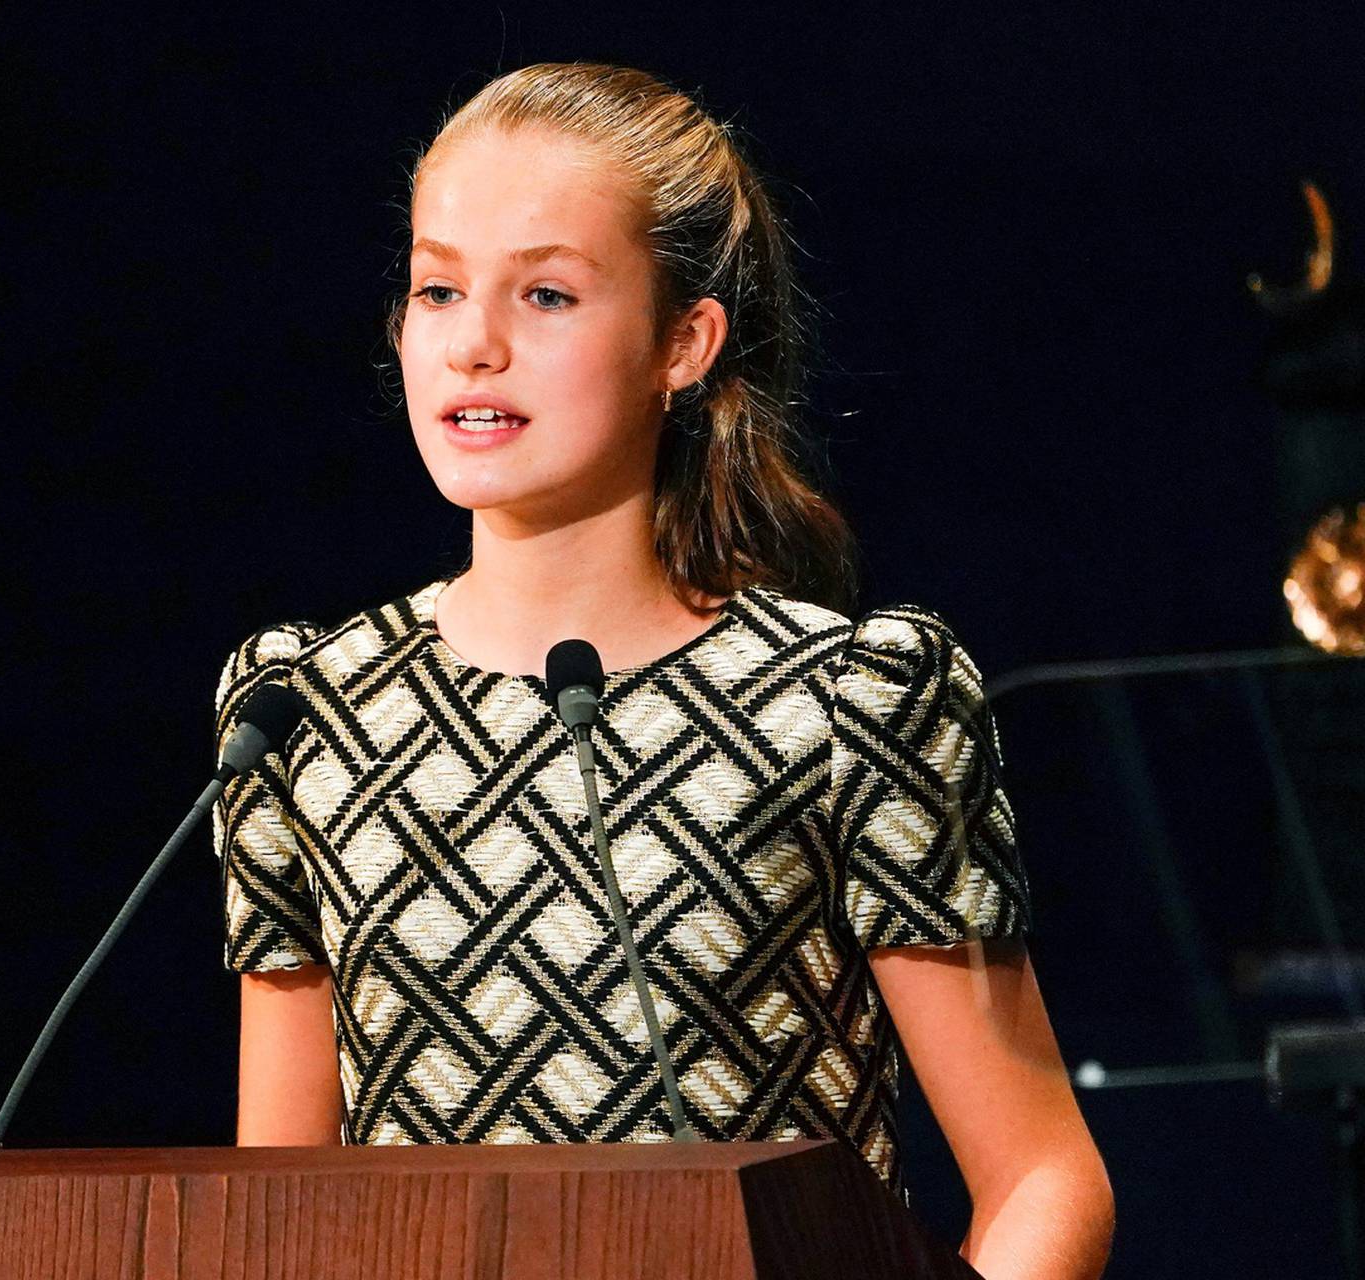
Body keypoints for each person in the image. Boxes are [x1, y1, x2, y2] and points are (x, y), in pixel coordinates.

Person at [211, 62, 1113, 1279]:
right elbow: (279, 1214)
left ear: (681, 342)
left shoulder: (847, 705)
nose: (474, 343)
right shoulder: (305, 711)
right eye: (437, 288)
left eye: (546, 294)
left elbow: (1044, 1178)